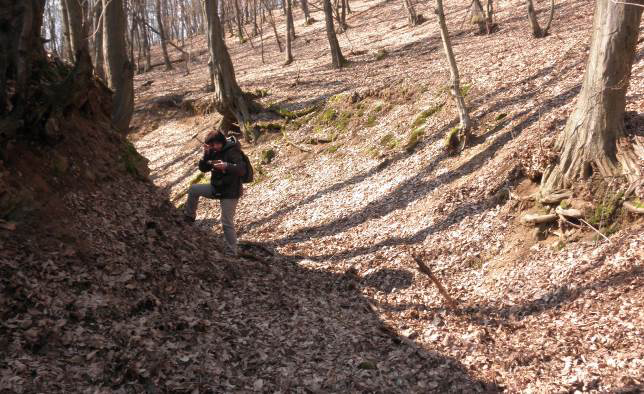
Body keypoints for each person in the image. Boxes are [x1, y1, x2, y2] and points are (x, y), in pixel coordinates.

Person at [184, 130, 246, 256]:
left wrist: (226, 166)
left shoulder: (232, 150)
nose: (216, 146)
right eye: (213, 145)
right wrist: (206, 155)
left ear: (222, 142)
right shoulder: (212, 151)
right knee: (193, 189)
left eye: (218, 144)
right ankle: (189, 216)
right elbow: (203, 169)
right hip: (216, 188)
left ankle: (232, 251)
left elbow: (242, 169)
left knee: (226, 222)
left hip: (230, 192)